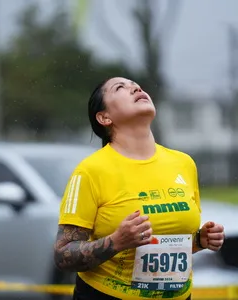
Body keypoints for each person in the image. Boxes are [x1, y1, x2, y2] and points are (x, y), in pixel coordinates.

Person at [53, 77, 225, 300]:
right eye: (120, 88)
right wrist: (115, 242)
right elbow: (62, 254)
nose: (136, 87)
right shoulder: (89, 171)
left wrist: (200, 241)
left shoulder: (184, 164)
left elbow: (162, 246)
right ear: (104, 117)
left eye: (136, 85)